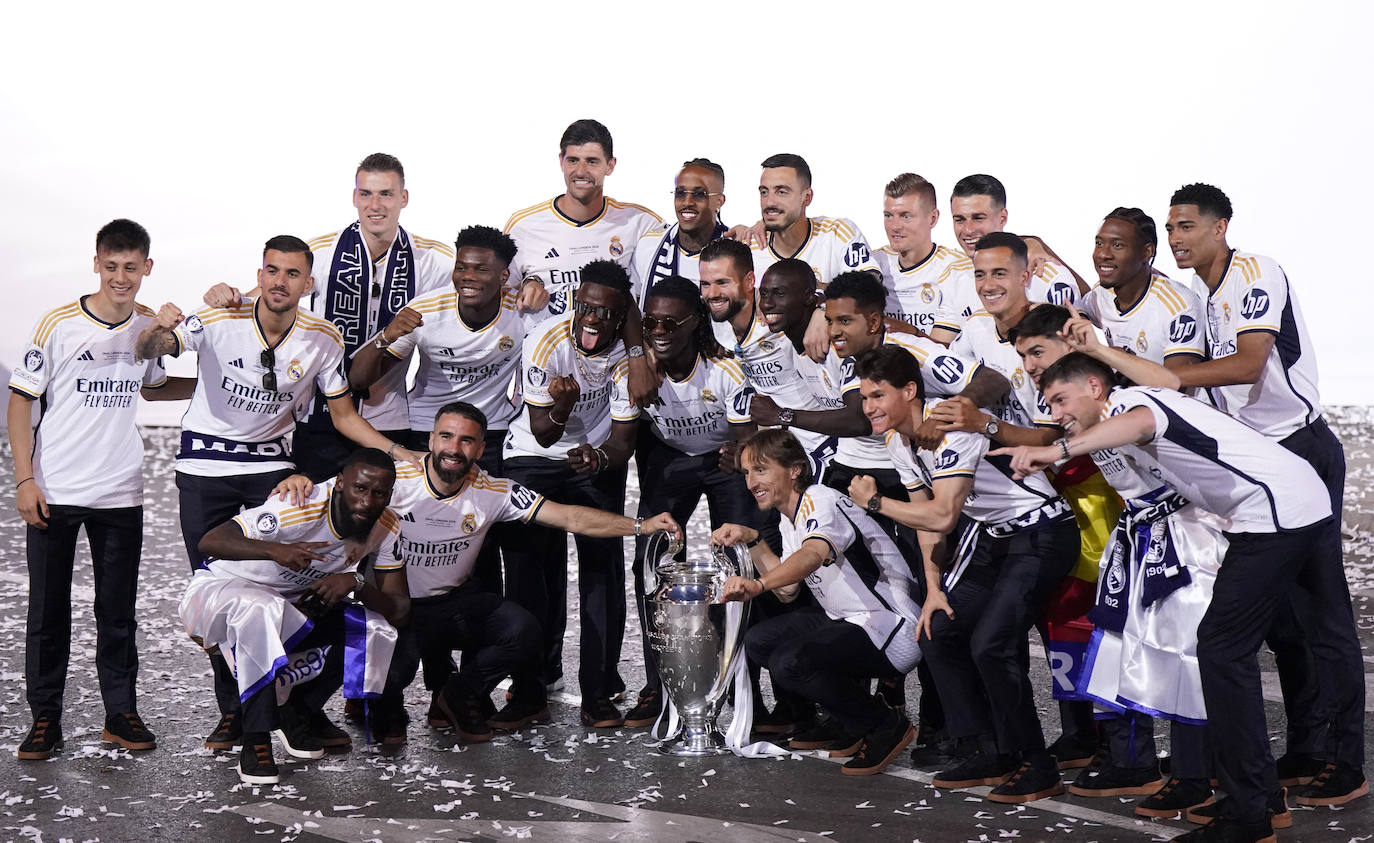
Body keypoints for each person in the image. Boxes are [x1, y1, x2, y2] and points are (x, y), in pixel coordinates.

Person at [1076, 183, 1366, 807]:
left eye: (1187, 227)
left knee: (1323, 613)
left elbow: (1247, 364)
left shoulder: (1258, 272)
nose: (1178, 238)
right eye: (1172, 228)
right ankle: (1308, 749)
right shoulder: (1198, 295)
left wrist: (1169, 383)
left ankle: (1346, 760)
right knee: (1282, 620)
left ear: (1220, 227)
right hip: (1253, 464)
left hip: (1299, 452)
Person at [995, 352, 1355, 841]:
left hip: (1273, 514)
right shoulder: (1138, 399)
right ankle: (1262, 796)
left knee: (1221, 650)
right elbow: (1164, 386)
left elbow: (1143, 421)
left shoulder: (1133, 404)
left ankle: (1252, 809)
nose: (1056, 413)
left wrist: (1059, 451)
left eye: (1060, 399)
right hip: (1293, 503)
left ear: (1096, 387)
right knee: (1244, 648)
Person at [136, 235, 422, 751]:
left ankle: (285, 707)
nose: (279, 282)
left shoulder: (323, 338)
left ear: (307, 284)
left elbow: (344, 416)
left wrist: (400, 455)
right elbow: (150, 357)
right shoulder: (220, 319)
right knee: (219, 591)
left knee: (282, 588)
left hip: (272, 466)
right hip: (205, 465)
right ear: (259, 274)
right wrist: (161, 325)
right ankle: (237, 712)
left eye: (292, 274)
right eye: (271, 271)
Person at [271, 402, 681, 744]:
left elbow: (570, 516)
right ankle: (371, 703)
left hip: (451, 605)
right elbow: (338, 492)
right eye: (446, 437)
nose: (454, 448)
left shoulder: (494, 491)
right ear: (430, 440)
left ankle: (459, 693)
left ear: (480, 448)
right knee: (392, 674)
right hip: (392, 608)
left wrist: (640, 526)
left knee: (522, 630)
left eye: (466, 440)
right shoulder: (393, 482)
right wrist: (298, 478)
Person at [852, 344, 1079, 803]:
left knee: (991, 644)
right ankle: (989, 748)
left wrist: (875, 503)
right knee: (937, 630)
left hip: (1042, 532)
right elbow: (924, 522)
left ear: (910, 391)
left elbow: (943, 516)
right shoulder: (898, 441)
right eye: (864, 398)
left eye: (877, 396)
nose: (868, 407)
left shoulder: (951, 424)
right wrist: (933, 588)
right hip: (994, 536)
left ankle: (1037, 764)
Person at [9, 219, 190, 760]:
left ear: (146, 269)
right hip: (55, 491)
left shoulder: (146, 328)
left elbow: (155, 388)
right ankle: (45, 719)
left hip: (120, 493)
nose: (120, 277)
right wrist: (24, 478)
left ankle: (120, 714)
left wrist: (226, 382)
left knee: (117, 613)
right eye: (111, 266)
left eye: (131, 267)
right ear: (96, 263)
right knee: (47, 613)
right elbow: (22, 401)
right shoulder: (59, 325)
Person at [204, 153, 456, 482]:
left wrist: (531, 284)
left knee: (382, 525)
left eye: (386, 194)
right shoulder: (321, 252)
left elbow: (486, 282)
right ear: (354, 197)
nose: (375, 205)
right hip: (319, 416)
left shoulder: (431, 259)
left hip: (390, 416)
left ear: (403, 198)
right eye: (366, 193)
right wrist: (223, 298)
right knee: (312, 519)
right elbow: (262, 298)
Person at [181, 449, 411, 785]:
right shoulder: (298, 505)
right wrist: (277, 550)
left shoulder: (387, 525)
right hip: (219, 595)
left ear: (389, 494)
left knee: (373, 628)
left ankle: (294, 712)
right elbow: (211, 541)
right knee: (260, 609)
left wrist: (355, 581)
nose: (367, 502)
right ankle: (256, 739)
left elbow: (400, 610)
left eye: (379, 493)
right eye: (359, 490)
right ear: (340, 484)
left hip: (286, 604)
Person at [717, 428, 920, 777]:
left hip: (892, 626)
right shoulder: (788, 515)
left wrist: (757, 584)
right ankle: (850, 721)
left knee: (790, 662)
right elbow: (788, 591)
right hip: (849, 619)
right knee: (760, 641)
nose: (751, 482)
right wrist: (753, 540)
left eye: (761, 470)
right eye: (747, 472)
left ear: (795, 469)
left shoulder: (820, 499)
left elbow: (813, 554)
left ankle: (886, 725)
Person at [500, 259, 640, 726]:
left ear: (622, 319)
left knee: (602, 570)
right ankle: (529, 689)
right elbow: (541, 433)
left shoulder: (627, 355)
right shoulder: (548, 341)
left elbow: (623, 441)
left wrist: (600, 460)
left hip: (594, 455)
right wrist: (562, 405)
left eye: (605, 313)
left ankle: (598, 691)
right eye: (585, 307)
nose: (592, 319)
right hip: (532, 453)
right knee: (528, 572)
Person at [622, 276, 755, 727]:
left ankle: (739, 688)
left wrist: (740, 454)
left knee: (738, 566)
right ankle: (659, 686)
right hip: (670, 458)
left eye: (669, 322)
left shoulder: (725, 369)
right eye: (650, 322)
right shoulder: (638, 366)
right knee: (650, 561)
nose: (658, 330)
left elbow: (749, 439)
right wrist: (639, 356)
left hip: (724, 463)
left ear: (695, 322)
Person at [930, 174, 1084, 343]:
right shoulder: (954, 275)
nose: (967, 230)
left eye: (978, 218)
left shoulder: (1045, 273)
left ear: (1002, 217)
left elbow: (1078, 346)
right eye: (959, 219)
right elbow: (941, 348)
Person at [745, 153, 879, 287]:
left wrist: (812, 289)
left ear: (807, 197)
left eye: (781, 192)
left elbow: (871, 287)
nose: (769, 202)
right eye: (764, 192)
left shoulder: (836, 234)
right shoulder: (749, 247)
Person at [872, 173, 976, 335]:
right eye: (888, 216)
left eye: (906, 216)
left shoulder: (956, 268)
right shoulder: (873, 264)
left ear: (933, 219)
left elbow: (944, 350)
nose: (894, 226)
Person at [630, 158, 729, 300]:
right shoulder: (649, 246)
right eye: (680, 193)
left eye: (699, 194)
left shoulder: (736, 252)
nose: (687, 202)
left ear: (719, 201)